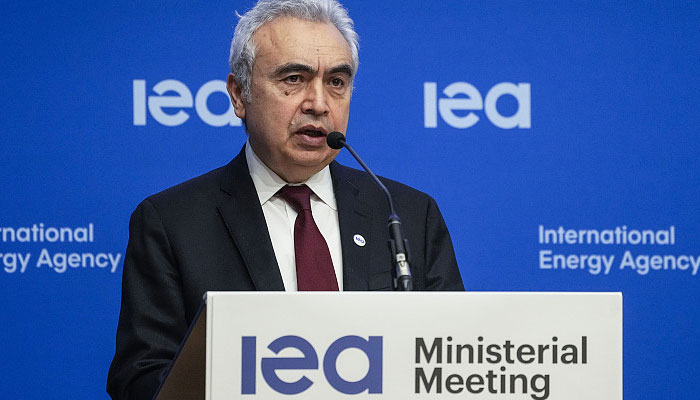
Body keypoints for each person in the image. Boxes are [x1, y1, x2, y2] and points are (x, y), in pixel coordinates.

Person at [107, 0, 463, 398]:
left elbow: (451, 365)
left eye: (337, 82)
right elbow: (139, 381)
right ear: (239, 94)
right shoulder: (172, 223)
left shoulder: (407, 214)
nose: (318, 103)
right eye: (294, 79)